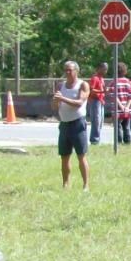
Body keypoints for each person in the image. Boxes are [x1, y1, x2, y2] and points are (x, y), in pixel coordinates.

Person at [51, 60, 90, 190]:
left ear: (76, 71)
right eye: (65, 70)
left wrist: (62, 98)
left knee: (81, 156)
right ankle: (65, 184)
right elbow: (55, 106)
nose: (67, 72)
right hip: (64, 124)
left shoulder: (82, 85)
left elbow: (79, 103)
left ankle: (85, 185)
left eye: (70, 70)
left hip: (78, 123)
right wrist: (56, 101)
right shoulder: (60, 85)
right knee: (64, 156)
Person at [111, 63, 131, 145]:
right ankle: (127, 142)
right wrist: (127, 107)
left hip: (117, 109)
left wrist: (121, 106)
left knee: (117, 127)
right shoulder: (128, 82)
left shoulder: (114, 82)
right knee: (126, 126)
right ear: (125, 71)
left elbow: (113, 95)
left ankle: (118, 142)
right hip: (127, 109)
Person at [87, 63, 107, 145]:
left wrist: (105, 91)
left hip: (101, 101)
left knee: (100, 121)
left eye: (106, 69)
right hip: (95, 101)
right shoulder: (95, 78)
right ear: (99, 68)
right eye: (104, 69)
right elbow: (91, 90)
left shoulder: (101, 78)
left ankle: (97, 139)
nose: (105, 71)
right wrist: (102, 91)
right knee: (96, 121)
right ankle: (94, 140)